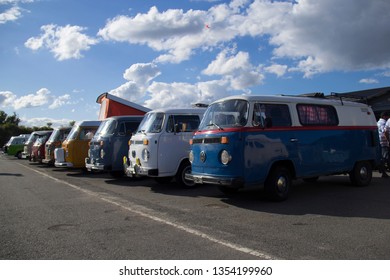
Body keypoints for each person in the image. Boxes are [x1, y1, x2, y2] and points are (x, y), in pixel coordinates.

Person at [377, 111, 389, 178]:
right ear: (384, 116)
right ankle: (383, 172)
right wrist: (388, 140)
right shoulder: (383, 123)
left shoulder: (378, 122)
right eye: (387, 116)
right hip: (384, 142)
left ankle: (383, 171)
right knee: (385, 157)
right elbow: (385, 131)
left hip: (380, 142)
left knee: (383, 157)